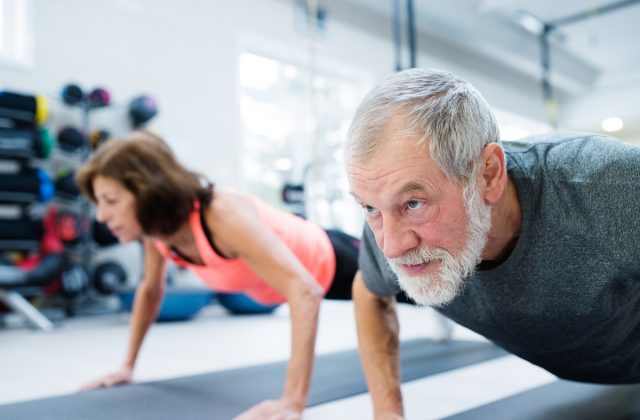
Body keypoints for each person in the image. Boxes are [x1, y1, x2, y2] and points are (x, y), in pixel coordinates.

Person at [344, 67, 640, 419]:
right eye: (370, 208)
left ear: (488, 175)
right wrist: (387, 412)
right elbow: (369, 292)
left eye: (414, 204)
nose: (391, 246)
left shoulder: (610, 186)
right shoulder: (387, 222)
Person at [75, 131, 360, 419]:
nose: (101, 216)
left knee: (403, 294)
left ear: (147, 192)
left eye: (110, 200)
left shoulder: (220, 215)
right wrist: (127, 366)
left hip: (335, 258)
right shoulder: (156, 232)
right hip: (305, 279)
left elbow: (304, 290)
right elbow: (150, 290)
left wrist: (293, 401)